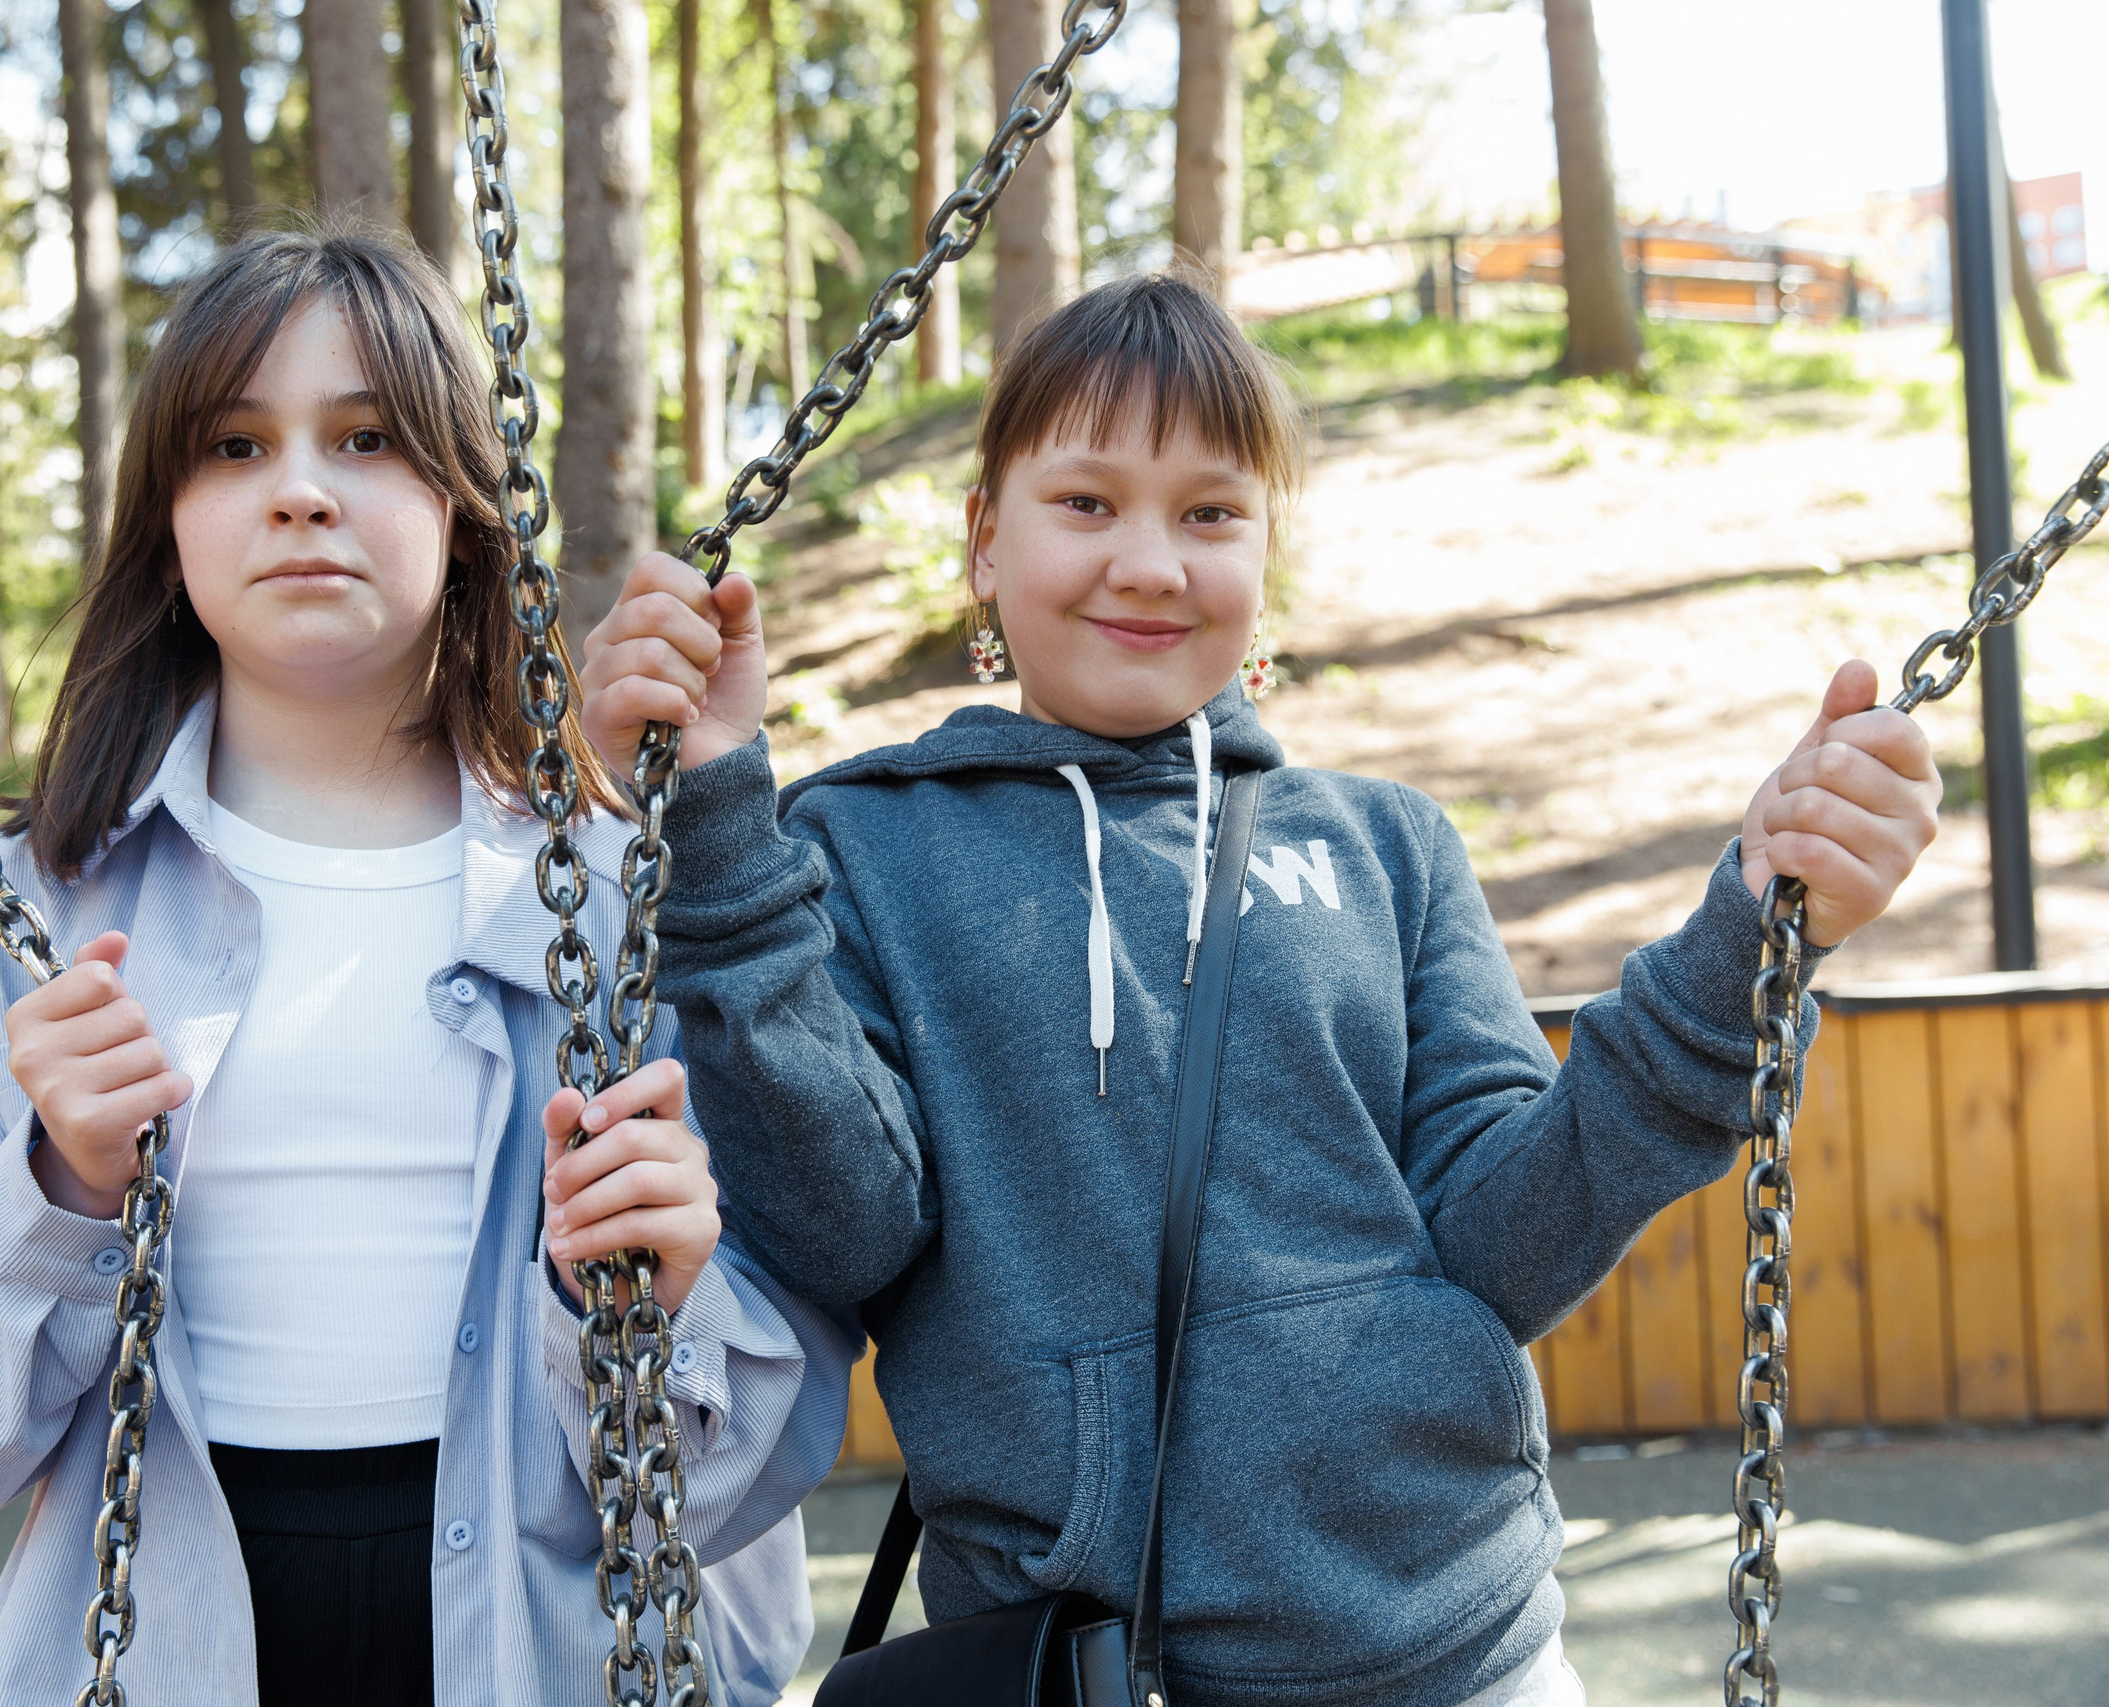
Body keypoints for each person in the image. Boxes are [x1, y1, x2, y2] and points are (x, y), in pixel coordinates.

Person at [574, 272, 1940, 1705]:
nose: (1153, 563)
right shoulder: (860, 848)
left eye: (1211, 513)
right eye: (1087, 504)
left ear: (1266, 554)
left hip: (1462, 1652)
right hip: (1087, 1670)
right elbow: (850, 1225)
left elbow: (1506, 1236)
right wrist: (721, 805)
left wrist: (1756, 929)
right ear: (985, 543)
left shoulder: (1388, 849)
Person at [0, 227, 853, 1707]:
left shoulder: (615, 902)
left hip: (544, 1646)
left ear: (463, 504)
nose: (299, 488)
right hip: (169, 1644)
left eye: (364, 437)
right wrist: (56, 1189)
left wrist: (667, 1299)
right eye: (235, 444)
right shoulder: (31, 907)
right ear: (166, 519)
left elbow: (756, 1458)